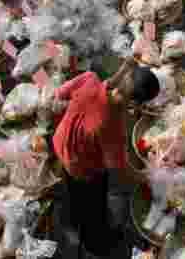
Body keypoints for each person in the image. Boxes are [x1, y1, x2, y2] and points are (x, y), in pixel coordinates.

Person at [53, 58, 159, 258]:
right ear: (135, 104)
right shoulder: (111, 125)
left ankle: (74, 217)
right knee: (92, 201)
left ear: (126, 77)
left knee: (73, 191)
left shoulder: (90, 79)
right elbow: (119, 168)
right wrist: (147, 176)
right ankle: (95, 243)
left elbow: (60, 94)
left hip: (61, 142)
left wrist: (121, 71)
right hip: (82, 165)